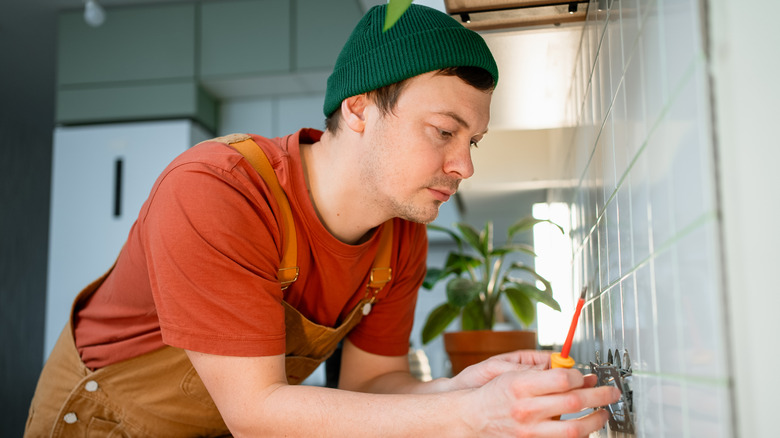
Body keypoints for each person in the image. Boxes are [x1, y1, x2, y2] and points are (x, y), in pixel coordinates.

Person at [25, 4, 620, 437]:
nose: (464, 165)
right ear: (360, 109)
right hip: (104, 420)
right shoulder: (218, 191)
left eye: (474, 142)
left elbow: (370, 385)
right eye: (444, 132)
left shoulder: (401, 235)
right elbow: (256, 412)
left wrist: (462, 388)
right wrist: (469, 416)